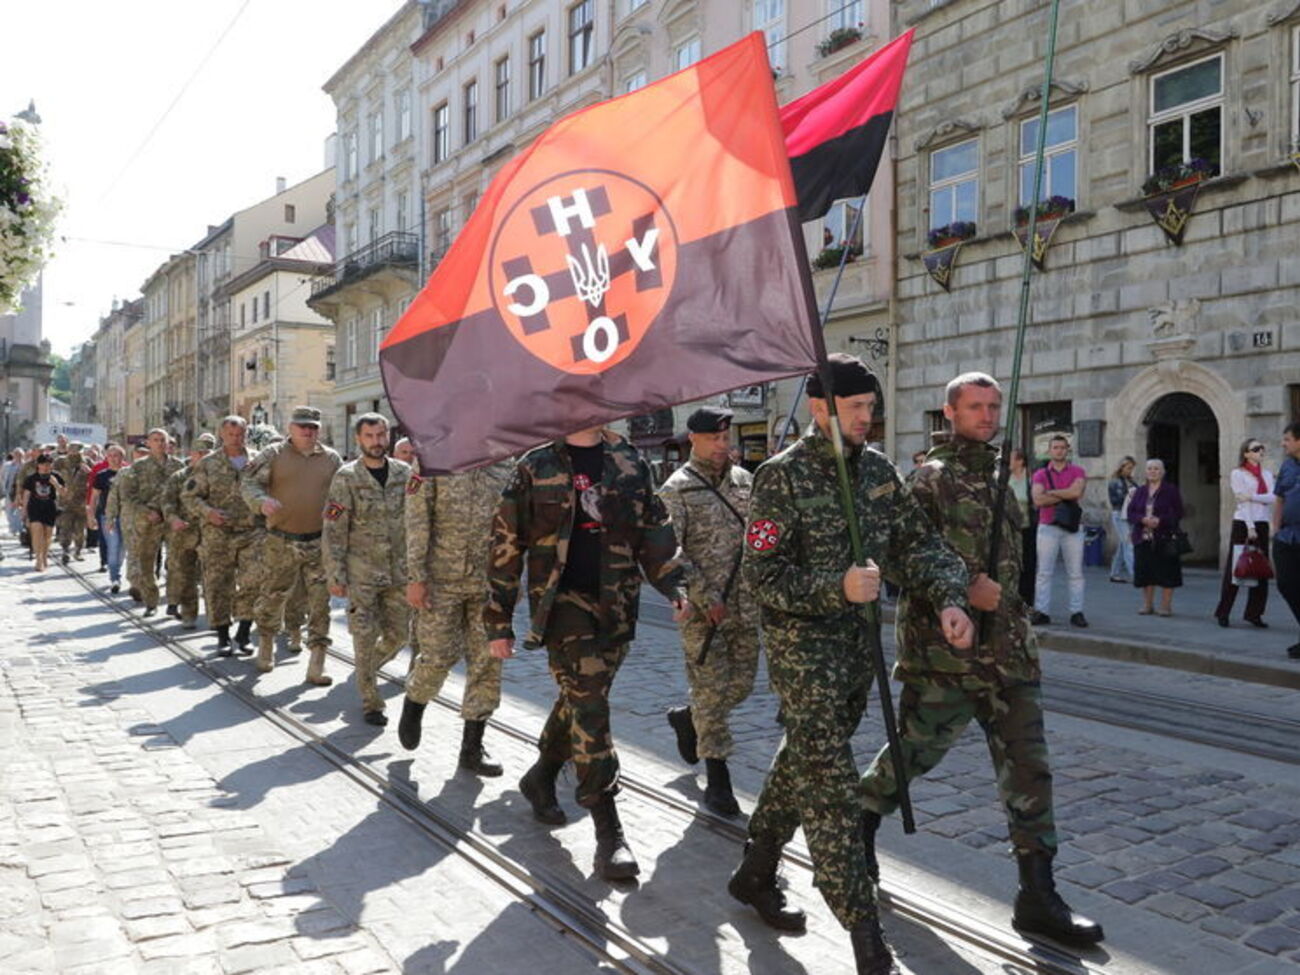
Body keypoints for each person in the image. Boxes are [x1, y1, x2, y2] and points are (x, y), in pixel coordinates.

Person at [727, 354, 973, 974]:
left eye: (872, 408)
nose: (869, 418)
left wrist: (948, 596)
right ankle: (863, 931)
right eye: (857, 408)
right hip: (801, 650)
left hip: (854, 653)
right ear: (820, 408)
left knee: (808, 754)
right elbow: (763, 578)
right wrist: (836, 587)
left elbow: (917, 543)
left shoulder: (879, 474)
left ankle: (755, 870)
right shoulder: (780, 478)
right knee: (831, 785)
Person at [859, 372, 1103, 950]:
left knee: (1029, 767)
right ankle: (860, 820)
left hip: (1010, 652)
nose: (988, 416)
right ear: (950, 412)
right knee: (915, 752)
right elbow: (897, 560)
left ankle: (1037, 895)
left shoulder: (1003, 474)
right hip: (948, 654)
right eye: (976, 406)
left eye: (995, 406)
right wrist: (968, 588)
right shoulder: (928, 481)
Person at [485, 424, 688, 881]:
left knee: (579, 698)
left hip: (616, 605)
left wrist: (675, 585)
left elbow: (655, 529)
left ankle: (542, 774)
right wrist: (498, 619)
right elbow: (505, 543)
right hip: (563, 608)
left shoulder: (630, 460)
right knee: (592, 706)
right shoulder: (536, 466)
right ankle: (608, 830)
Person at [658, 406, 758, 817]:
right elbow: (670, 552)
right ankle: (718, 780)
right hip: (705, 613)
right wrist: (703, 595)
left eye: (725, 438)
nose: (723, 445)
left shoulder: (745, 481)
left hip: (747, 606)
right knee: (714, 693)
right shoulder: (676, 489)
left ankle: (688, 717)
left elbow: (761, 537)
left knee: (742, 686)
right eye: (714, 439)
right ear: (693, 439)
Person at [398, 451, 512, 771]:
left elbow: (516, 529)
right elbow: (417, 520)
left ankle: (472, 748)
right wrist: (416, 577)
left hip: (488, 584)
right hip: (440, 580)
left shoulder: (507, 464)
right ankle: (415, 701)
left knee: (487, 664)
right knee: (438, 657)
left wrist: (511, 584)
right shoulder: (433, 457)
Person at [242, 405, 342, 683]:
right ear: (290, 428)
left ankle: (318, 660)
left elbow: (342, 498)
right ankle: (266, 644)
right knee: (274, 594)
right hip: (281, 539)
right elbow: (248, 484)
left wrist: (335, 518)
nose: (308, 432)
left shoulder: (332, 459)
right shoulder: (273, 455)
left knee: (321, 602)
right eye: (302, 427)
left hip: (318, 542)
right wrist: (261, 502)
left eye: (313, 428)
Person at [323, 413, 411, 725]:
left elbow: (417, 521)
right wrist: (335, 574)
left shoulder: (405, 473)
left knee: (400, 635)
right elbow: (333, 528)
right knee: (363, 635)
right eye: (370, 436)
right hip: (362, 573)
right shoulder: (346, 478)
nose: (376, 442)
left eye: (381, 435)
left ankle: (365, 670)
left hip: (399, 573)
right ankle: (370, 700)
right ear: (359, 439)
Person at [184, 416, 260, 653]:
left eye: (240, 434)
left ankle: (244, 632)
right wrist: (208, 513)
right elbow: (189, 496)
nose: (236, 439)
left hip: (252, 531)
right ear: (221, 434)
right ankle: (223, 636)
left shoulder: (258, 461)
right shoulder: (208, 463)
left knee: (253, 581)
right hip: (218, 533)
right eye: (231, 434)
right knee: (218, 584)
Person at [118, 429, 183, 617]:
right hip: (148, 521)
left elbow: (184, 493)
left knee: (175, 562)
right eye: (156, 440)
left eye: (163, 440)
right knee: (146, 563)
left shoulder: (178, 466)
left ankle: (173, 602)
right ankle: (151, 601)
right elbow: (128, 495)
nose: (160, 443)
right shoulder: (138, 467)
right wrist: (147, 511)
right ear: (148, 443)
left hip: (171, 520)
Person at [1215, 438, 1275, 628]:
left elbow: (1272, 497)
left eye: (1262, 448)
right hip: (1243, 523)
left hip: (1262, 522)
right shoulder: (1237, 473)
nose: (1260, 452)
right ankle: (1223, 612)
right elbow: (1242, 502)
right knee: (1236, 567)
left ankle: (1254, 613)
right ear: (1246, 453)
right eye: (1256, 449)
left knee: (1261, 568)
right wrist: (1250, 526)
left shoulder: (1266, 474)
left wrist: (1252, 496)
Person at [1030, 435, 1088, 628]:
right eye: (1055, 447)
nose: (1059, 451)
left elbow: (1076, 493)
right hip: (1048, 527)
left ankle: (1077, 612)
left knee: (1076, 573)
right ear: (1050, 450)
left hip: (1072, 528)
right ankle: (1042, 612)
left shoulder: (1078, 471)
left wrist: (1052, 493)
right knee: (1044, 573)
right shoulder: (1039, 474)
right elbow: (1038, 500)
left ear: (1067, 450)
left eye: (1062, 447)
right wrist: (1066, 492)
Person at [162, 435, 215, 629]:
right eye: (198, 453)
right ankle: (189, 614)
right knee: (186, 575)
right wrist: (173, 518)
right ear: (191, 454)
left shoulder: (218, 476)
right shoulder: (179, 477)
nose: (201, 457)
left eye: (206, 453)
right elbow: (167, 501)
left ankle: (215, 616)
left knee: (213, 576)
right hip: (183, 534)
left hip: (211, 533)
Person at [1127, 458, 1184, 616]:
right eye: (1150, 469)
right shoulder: (1140, 491)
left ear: (1163, 472)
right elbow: (1131, 513)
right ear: (1145, 472)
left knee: (1167, 571)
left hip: (1164, 537)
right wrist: (1142, 519)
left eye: (1156, 469)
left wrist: (1161, 521)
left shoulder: (1170, 490)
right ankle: (1147, 604)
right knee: (1146, 572)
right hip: (1143, 537)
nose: (1153, 471)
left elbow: (1179, 512)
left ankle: (1165, 606)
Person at [1272, 423, 1300, 659]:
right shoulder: (1287, 465)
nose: (1283, 443)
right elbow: (1279, 497)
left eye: (1287, 439)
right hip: (1287, 536)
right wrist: (1275, 528)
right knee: (1286, 584)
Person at [90, 446, 127, 591]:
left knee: (122, 549)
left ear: (122, 457)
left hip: (126, 516)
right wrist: (91, 515)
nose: (113, 458)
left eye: (116, 455)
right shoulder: (101, 476)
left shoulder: (128, 474)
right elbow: (94, 497)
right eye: (110, 455)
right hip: (107, 517)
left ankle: (116, 570)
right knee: (113, 546)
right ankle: (115, 578)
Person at [20, 454, 65, 571]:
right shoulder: (31, 478)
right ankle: (38, 559)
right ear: (38, 465)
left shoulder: (56, 476)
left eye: (49, 465)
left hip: (50, 508)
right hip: (35, 508)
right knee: (37, 532)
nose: (46, 467)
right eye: (44, 464)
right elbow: (26, 495)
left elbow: (64, 493)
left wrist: (56, 484)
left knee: (48, 534)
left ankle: (45, 555)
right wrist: (24, 512)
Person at [53, 443, 91, 564]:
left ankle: (78, 550)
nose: (75, 452)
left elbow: (95, 478)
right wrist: (57, 487)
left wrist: (89, 472)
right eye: (72, 449)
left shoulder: (87, 462)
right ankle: (65, 550)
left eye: (77, 450)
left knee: (80, 529)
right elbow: (51, 474)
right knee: (66, 527)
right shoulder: (61, 462)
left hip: (81, 501)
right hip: (65, 501)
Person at [1009, 448, 1036, 604]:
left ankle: (1027, 600)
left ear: (1020, 461)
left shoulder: (1031, 477)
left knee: (1028, 564)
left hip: (1028, 528)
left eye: (1011, 458)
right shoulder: (1004, 477)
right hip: (1011, 529)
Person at [1107, 456, 1137, 584]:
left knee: (1123, 545)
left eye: (1132, 468)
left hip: (1129, 515)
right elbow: (1116, 500)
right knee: (1129, 544)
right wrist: (1130, 495)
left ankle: (1114, 573)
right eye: (1129, 467)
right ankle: (1136, 575)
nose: (1131, 470)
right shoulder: (1115, 481)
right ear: (1122, 467)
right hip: (1120, 514)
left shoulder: (1130, 480)